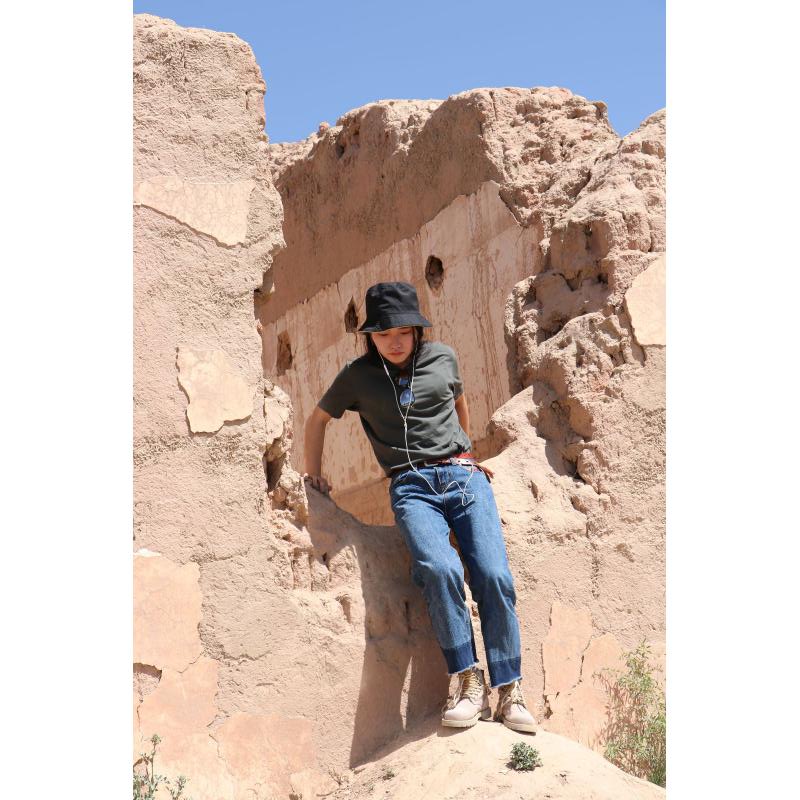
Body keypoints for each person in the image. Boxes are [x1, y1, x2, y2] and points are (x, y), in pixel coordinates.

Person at [303, 281, 536, 733]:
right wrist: (314, 477)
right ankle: (467, 682)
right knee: (439, 569)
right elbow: (317, 421)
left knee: (493, 574)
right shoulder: (357, 376)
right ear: (370, 336)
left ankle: (510, 690)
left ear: (417, 331)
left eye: (403, 332)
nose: (394, 341)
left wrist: (466, 453)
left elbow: (459, 403)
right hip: (411, 486)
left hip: (464, 478)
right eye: (384, 333)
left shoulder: (443, 358)